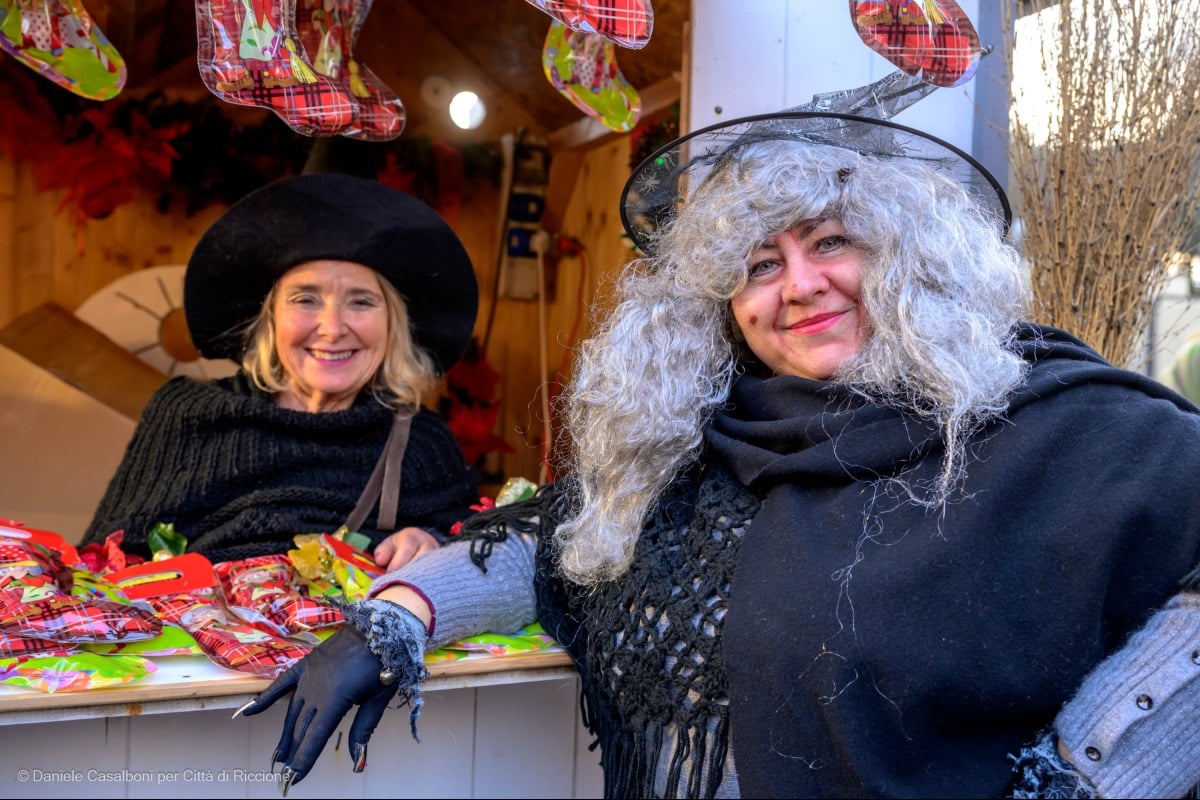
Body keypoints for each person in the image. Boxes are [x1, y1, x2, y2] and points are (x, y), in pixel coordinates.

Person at [237, 71, 1200, 798]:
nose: (798, 285)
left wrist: (1096, 767)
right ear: (723, 306)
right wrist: (396, 619)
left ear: (911, 254)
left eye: (831, 242)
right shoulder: (709, 439)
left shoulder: (1056, 421)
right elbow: (558, 545)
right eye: (755, 264)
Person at [81, 173, 482, 570]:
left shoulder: (420, 442)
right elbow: (102, 566)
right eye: (305, 299)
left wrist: (435, 543)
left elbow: (482, 559)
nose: (332, 328)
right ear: (269, 318)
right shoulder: (189, 415)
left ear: (392, 325)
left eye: (361, 302)